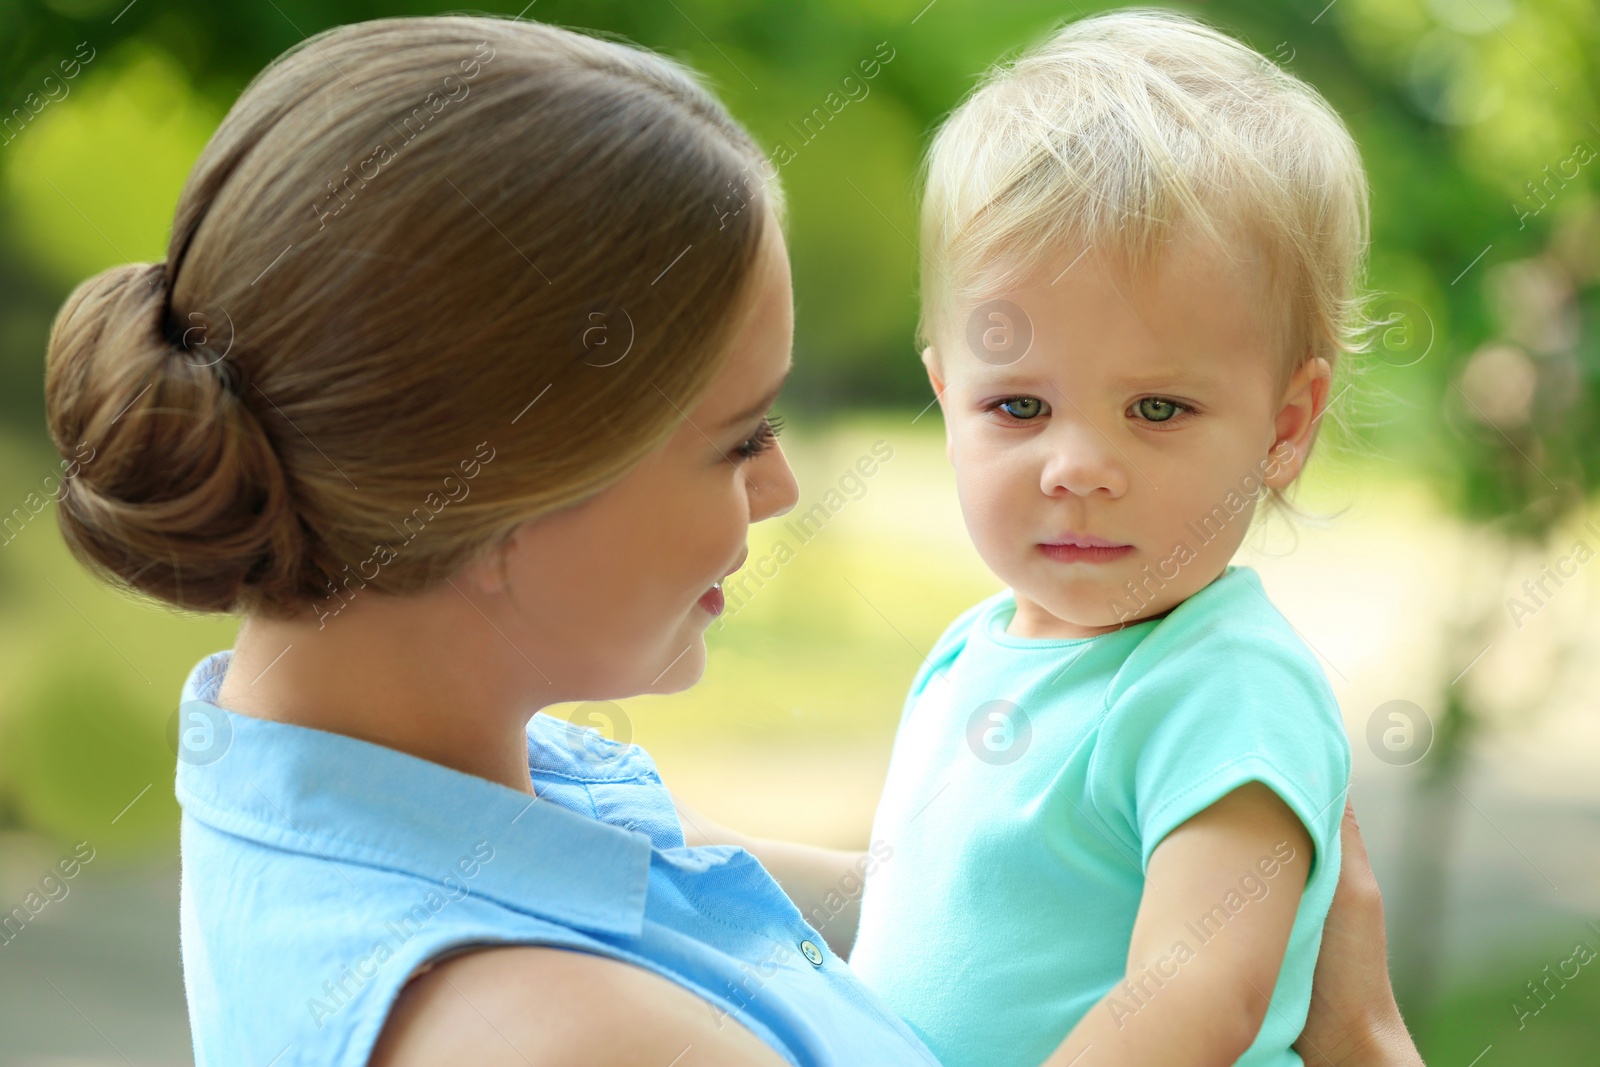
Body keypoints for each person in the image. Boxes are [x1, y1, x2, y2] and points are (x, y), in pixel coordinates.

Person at [40, 13, 1422, 1067]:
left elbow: (890, 889)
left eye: (1160, 407)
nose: (781, 488)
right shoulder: (565, 1027)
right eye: (737, 435)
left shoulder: (390, 769)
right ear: (508, 486)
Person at [849, 9, 1379, 1067]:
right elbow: (932, 904)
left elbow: (1191, 996)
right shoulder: (971, 649)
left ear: (1283, 428)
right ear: (946, 395)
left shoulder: (1220, 682)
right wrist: (679, 854)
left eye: (1156, 409)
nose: (1076, 465)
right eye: (1017, 408)